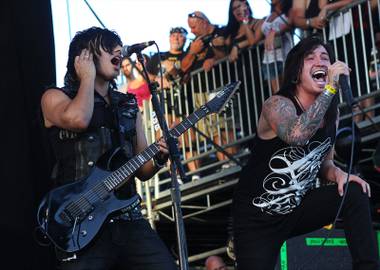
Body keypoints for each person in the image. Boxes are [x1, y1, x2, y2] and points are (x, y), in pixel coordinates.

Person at [232, 36, 379, 270]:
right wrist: (330, 89)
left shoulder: (331, 113)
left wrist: (339, 174)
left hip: (297, 208)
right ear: (296, 73)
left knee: (354, 191)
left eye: (325, 57)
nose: (320, 62)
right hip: (257, 218)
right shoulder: (277, 104)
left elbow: (323, 162)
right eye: (310, 58)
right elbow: (296, 134)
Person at [40, 26, 177, 270]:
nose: (118, 51)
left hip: (128, 217)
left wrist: (159, 156)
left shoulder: (127, 105)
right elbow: (78, 120)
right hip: (81, 224)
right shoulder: (54, 97)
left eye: (119, 46)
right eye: (108, 46)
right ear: (85, 57)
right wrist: (88, 78)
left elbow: (142, 169)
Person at [146, 26, 200, 180]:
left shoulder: (188, 55)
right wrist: (156, 80)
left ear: (185, 38)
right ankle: (175, 176)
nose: (176, 38)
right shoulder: (158, 56)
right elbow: (148, 78)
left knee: (189, 138)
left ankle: (195, 173)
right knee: (166, 141)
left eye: (180, 35)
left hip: (184, 102)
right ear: (169, 38)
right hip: (163, 105)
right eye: (174, 35)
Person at [260, 0, 293, 94]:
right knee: (278, 93)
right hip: (268, 59)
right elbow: (256, 37)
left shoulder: (288, 10)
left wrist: (274, 31)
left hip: (284, 56)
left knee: (289, 90)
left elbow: (290, 23)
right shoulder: (269, 15)